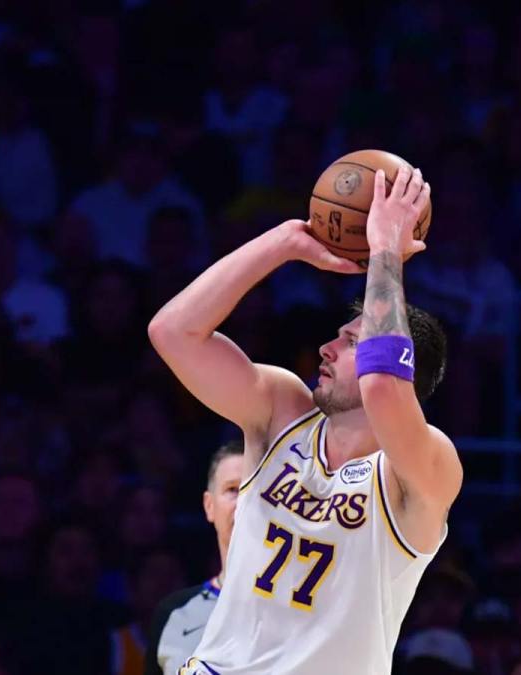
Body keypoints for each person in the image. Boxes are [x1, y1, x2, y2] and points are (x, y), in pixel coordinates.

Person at [149, 165, 459, 674]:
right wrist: (284, 242)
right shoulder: (282, 409)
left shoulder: (424, 466)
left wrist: (385, 252)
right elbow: (173, 332)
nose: (326, 348)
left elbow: (383, 386)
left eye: (351, 341)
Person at [145, 443, 245, 675]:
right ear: (209, 506)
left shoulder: (303, 611)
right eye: (233, 489)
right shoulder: (173, 614)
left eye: (256, 489)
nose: (244, 501)